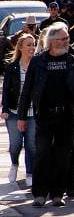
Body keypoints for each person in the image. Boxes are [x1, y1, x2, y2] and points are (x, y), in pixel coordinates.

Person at [17, 22, 74, 207]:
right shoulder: (38, 61)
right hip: (44, 116)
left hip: (67, 116)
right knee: (42, 153)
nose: (65, 42)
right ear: (51, 41)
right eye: (61, 39)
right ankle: (39, 193)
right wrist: (21, 116)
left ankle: (58, 193)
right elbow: (26, 90)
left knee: (62, 155)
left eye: (67, 38)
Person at [1, 34, 36, 186]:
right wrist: (5, 108)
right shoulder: (12, 67)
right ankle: (14, 164)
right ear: (20, 47)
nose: (32, 48)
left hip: (33, 113)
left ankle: (30, 173)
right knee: (15, 145)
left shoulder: (38, 66)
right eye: (28, 45)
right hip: (14, 113)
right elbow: (7, 89)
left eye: (33, 44)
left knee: (31, 145)